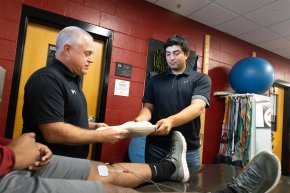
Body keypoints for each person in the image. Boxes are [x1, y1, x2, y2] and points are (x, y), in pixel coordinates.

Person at [0, 132, 281, 193]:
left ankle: (171, 168)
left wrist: (14, 150)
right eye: (86, 53)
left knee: (103, 170)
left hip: (17, 159)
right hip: (6, 172)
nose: (90, 59)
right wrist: (12, 156)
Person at [22, 26, 129, 158]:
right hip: (50, 165)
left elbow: (67, 118)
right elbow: (53, 132)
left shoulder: (72, 79)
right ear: (67, 50)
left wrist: (93, 126)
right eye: (87, 53)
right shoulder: (46, 79)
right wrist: (101, 136)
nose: (91, 59)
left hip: (72, 163)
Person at [135, 35, 212, 170]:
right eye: (168, 54)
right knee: (154, 188)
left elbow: (198, 107)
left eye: (176, 53)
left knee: (191, 188)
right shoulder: (155, 80)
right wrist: (142, 119)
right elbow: (148, 106)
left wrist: (170, 121)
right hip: (156, 147)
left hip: (188, 149)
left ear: (186, 54)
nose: (171, 58)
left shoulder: (201, 79)